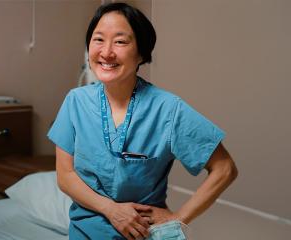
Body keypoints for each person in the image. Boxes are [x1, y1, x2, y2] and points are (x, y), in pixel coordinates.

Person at [48, 2, 238, 240]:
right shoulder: (75, 101)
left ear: (141, 53)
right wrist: (111, 209)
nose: (106, 52)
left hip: (145, 234)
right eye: (98, 39)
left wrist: (178, 218)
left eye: (120, 41)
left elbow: (225, 168)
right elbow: (65, 176)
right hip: (86, 232)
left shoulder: (168, 109)